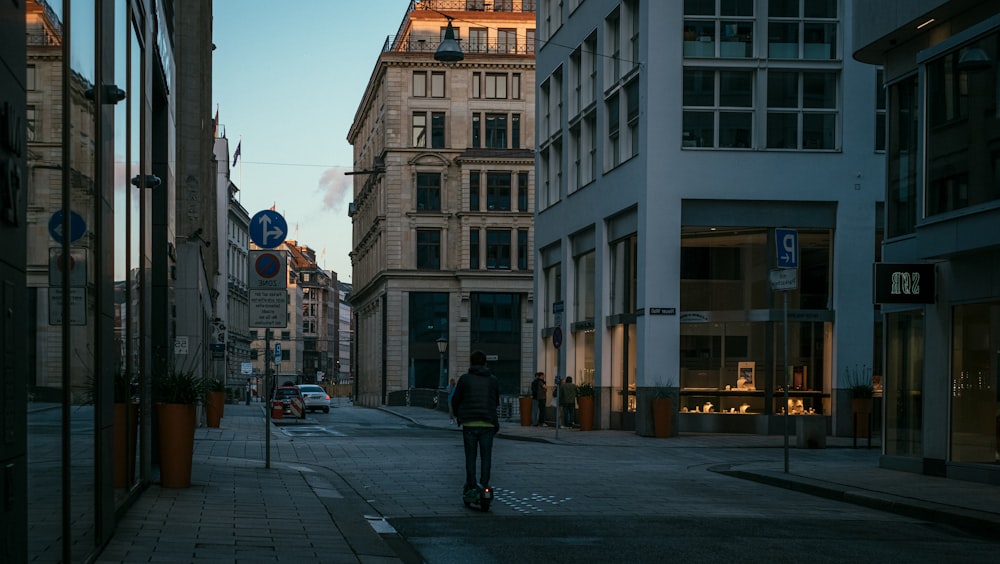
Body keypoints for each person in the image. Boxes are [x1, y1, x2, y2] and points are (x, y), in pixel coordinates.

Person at [450, 350, 500, 494]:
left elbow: (456, 400)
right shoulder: (493, 380)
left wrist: (458, 415)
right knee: (486, 457)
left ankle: (471, 486)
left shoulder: (465, 379)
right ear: (485, 363)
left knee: (470, 457)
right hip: (488, 423)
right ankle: (484, 485)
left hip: (469, 423)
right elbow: (496, 401)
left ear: (471, 363)